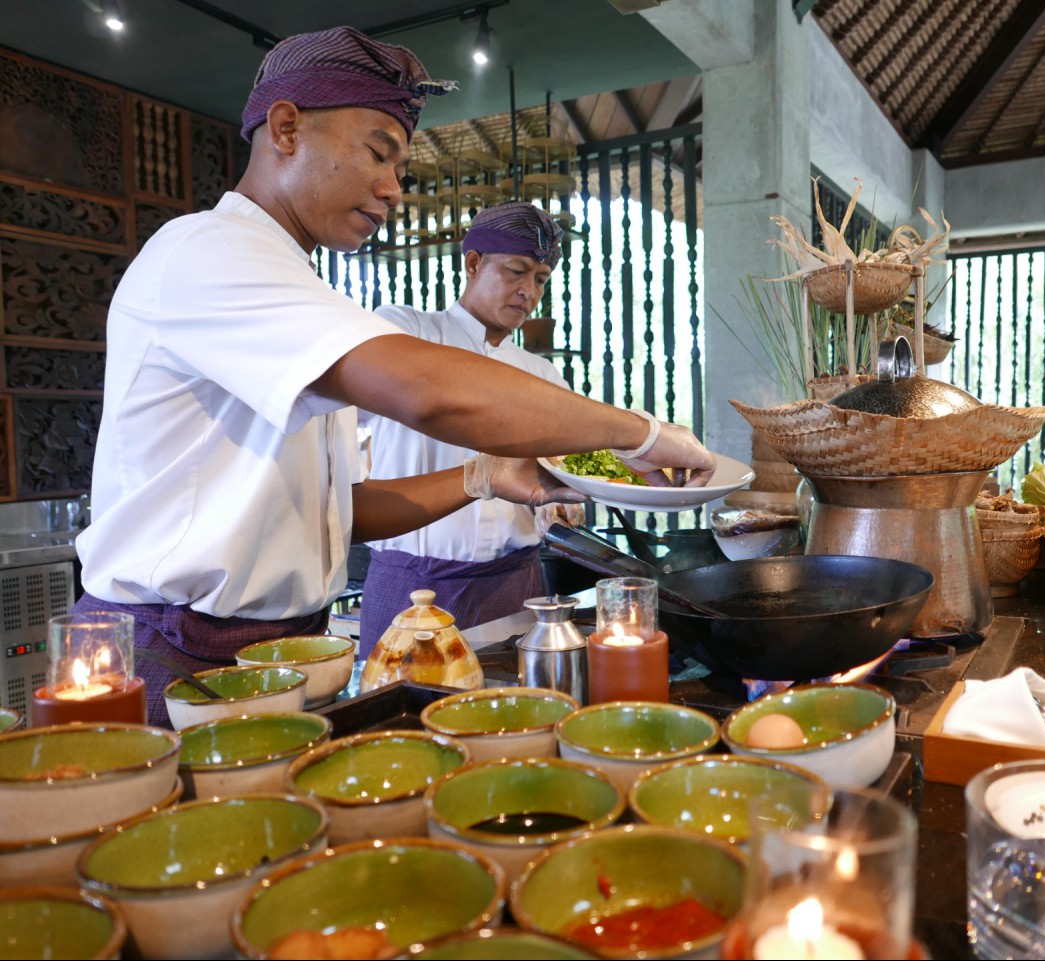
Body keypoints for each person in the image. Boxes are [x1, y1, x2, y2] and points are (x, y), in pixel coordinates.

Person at [70, 26, 714, 721]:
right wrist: (640, 433)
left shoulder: (305, 293)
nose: (393, 188)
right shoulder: (207, 251)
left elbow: (341, 510)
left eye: (399, 166)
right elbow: (427, 388)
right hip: (180, 649)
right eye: (378, 153)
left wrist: (483, 477)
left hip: (285, 650)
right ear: (285, 128)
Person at [359, 202, 582, 650]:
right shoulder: (404, 331)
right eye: (516, 271)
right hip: (409, 585)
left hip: (514, 585)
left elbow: (564, 465)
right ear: (473, 263)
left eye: (540, 279)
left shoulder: (543, 374)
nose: (529, 291)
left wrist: (560, 503)